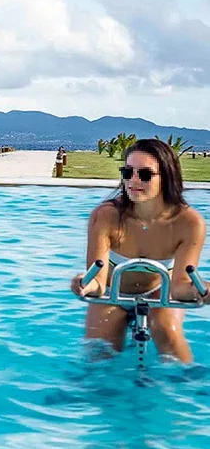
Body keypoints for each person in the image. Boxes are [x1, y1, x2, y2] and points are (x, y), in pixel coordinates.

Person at [71, 138, 210, 363]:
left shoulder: (189, 222)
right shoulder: (106, 216)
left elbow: (180, 286)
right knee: (98, 354)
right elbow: (97, 281)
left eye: (144, 175)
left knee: (170, 336)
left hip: (160, 293)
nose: (133, 181)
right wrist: (84, 284)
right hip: (111, 293)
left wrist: (202, 291)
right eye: (127, 172)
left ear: (167, 177)